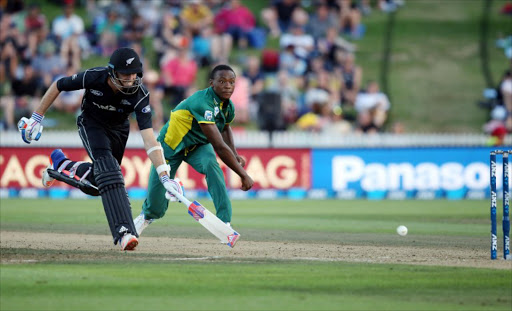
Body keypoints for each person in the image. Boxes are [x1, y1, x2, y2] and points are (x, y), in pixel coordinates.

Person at [17, 47, 183, 251]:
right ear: (113, 72)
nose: (130, 79)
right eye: (125, 74)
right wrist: (37, 116)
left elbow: (149, 139)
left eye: (134, 74)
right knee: (111, 172)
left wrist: (164, 175)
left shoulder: (140, 95)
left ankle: (60, 165)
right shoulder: (94, 77)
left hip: (119, 131)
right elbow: (58, 85)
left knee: (98, 184)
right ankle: (124, 231)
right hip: (91, 123)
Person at [133, 64, 254, 238]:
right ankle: (146, 217)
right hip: (170, 147)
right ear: (212, 83)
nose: (228, 86)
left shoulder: (227, 105)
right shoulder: (202, 102)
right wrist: (243, 174)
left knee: (212, 166)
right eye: (222, 81)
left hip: (197, 146)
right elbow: (219, 146)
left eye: (231, 82)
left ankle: (224, 222)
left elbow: (225, 127)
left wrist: (234, 153)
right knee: (156, 205)